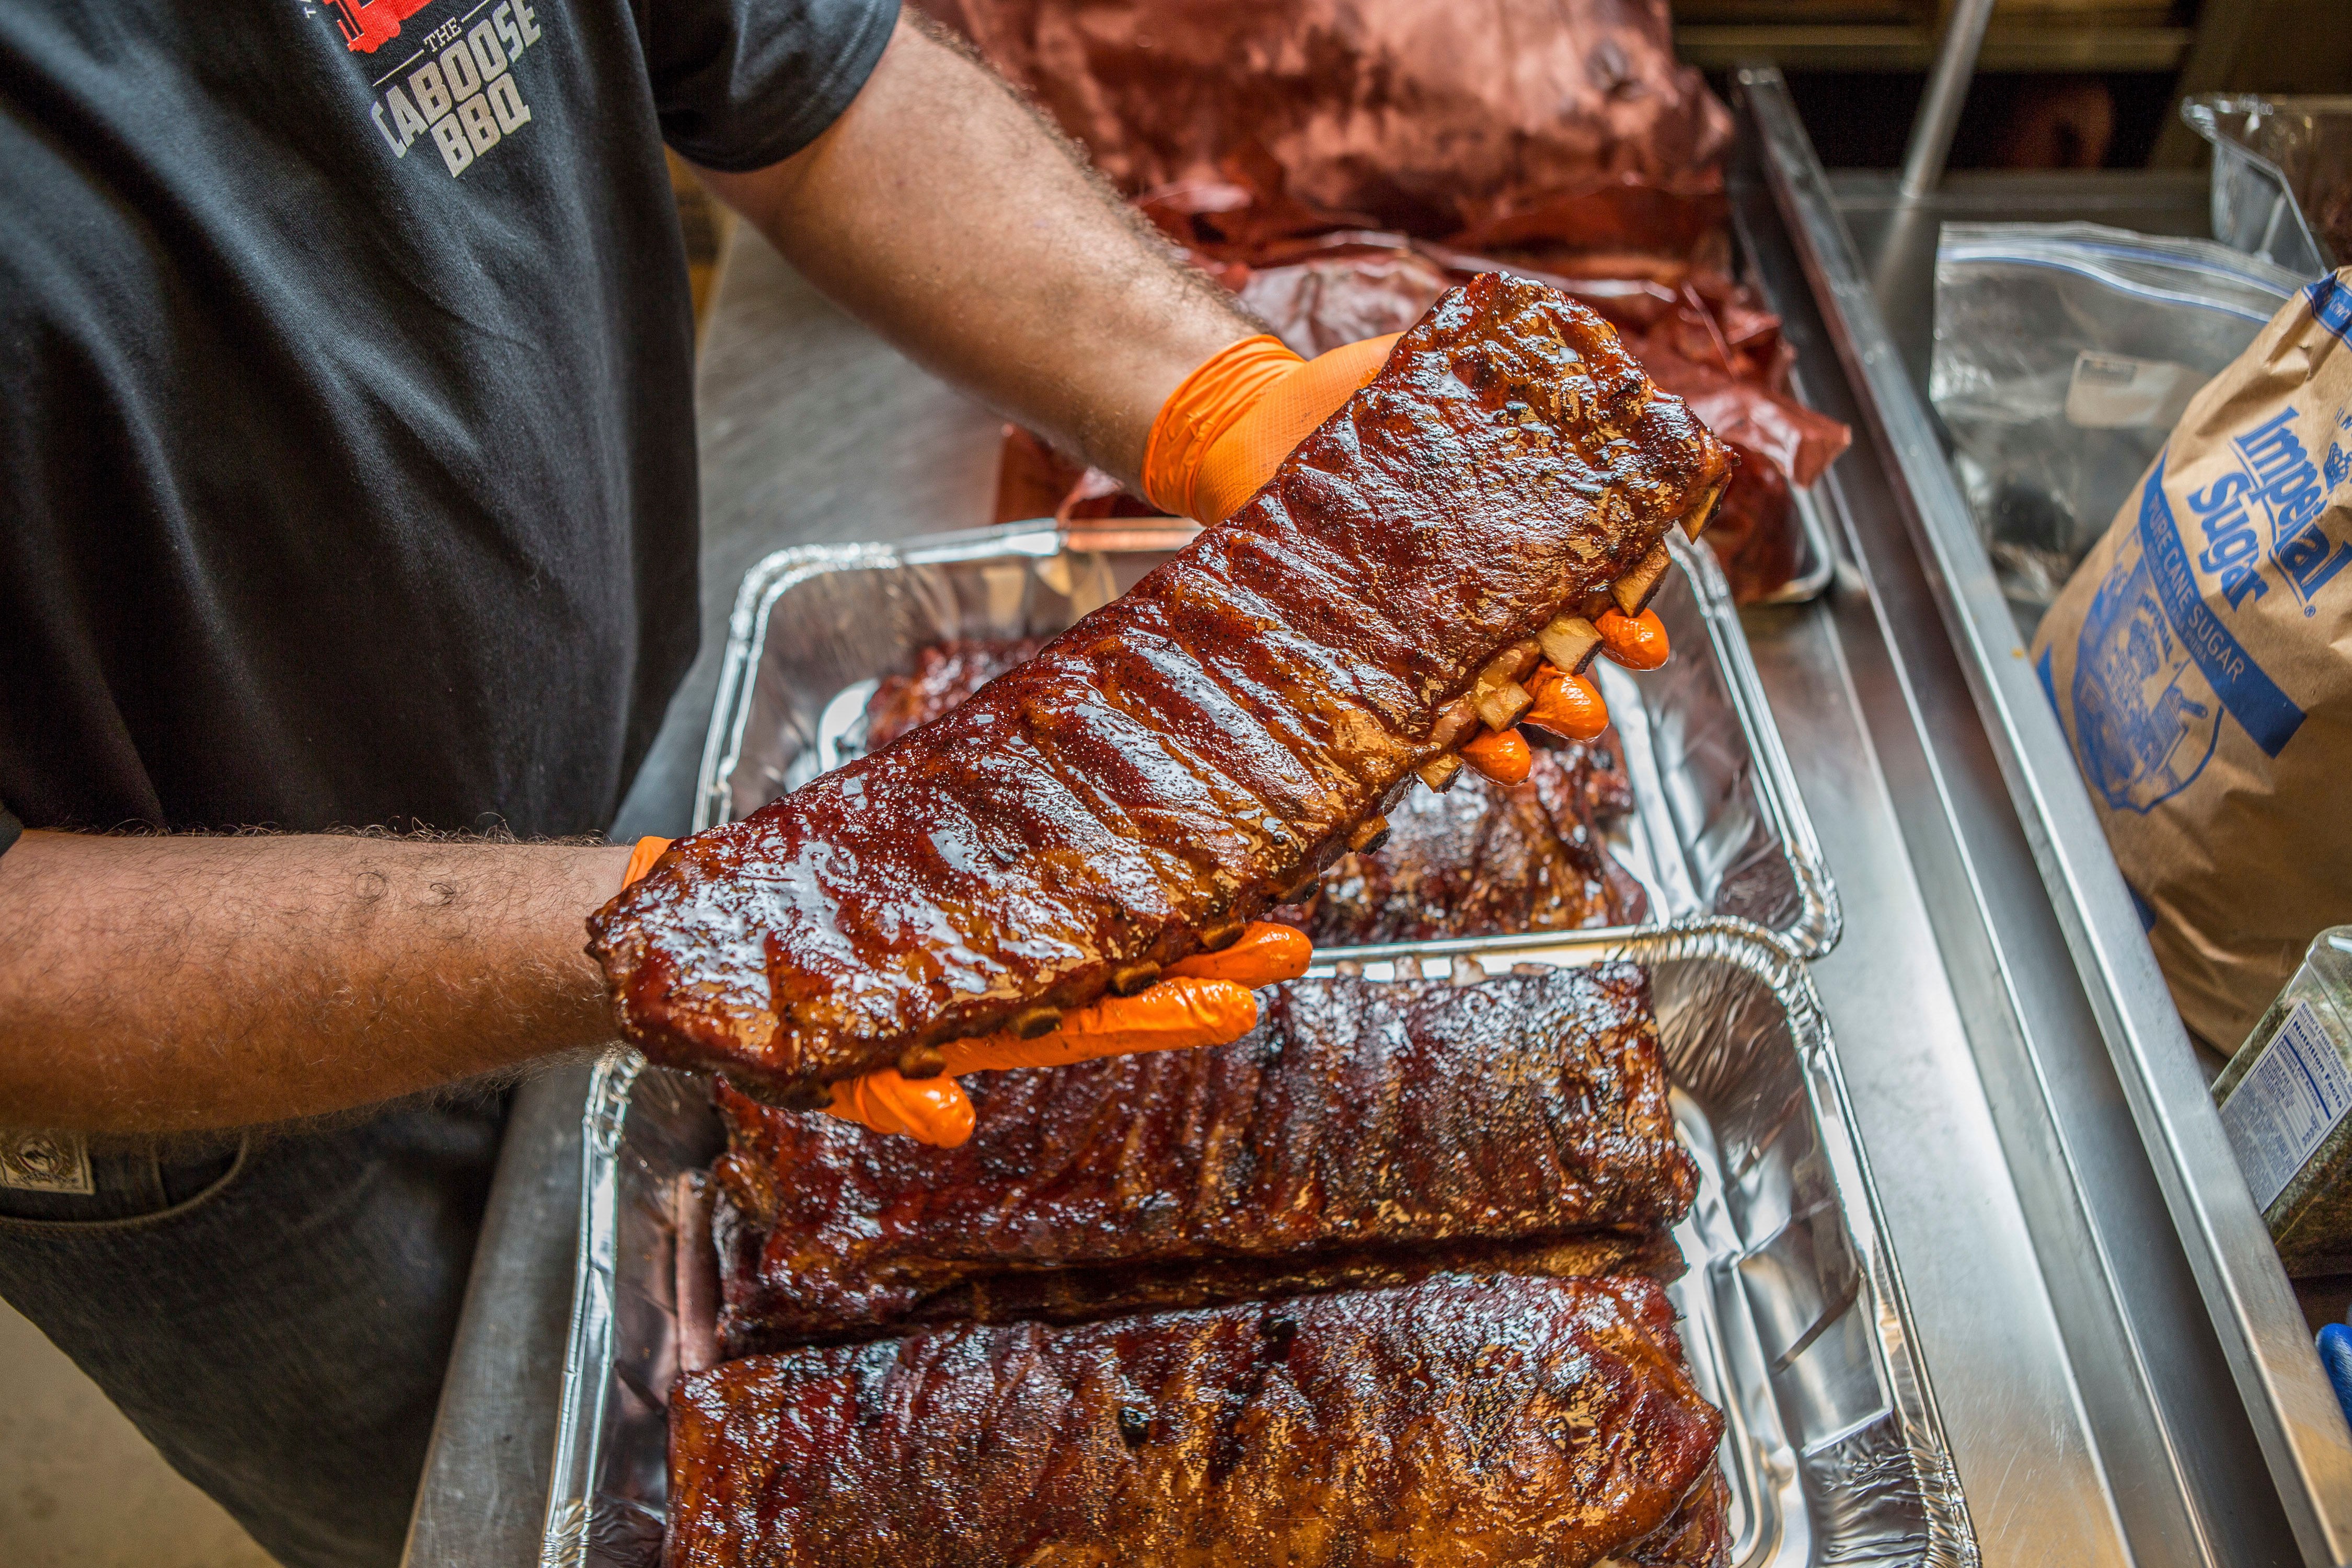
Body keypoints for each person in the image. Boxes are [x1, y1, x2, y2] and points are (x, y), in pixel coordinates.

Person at [0, 1, 1627, 1561]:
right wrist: (702, 927)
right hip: (191, 1110)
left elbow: (802, 74)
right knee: (505, 1494)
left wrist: (1211, 395)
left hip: (623, 785)